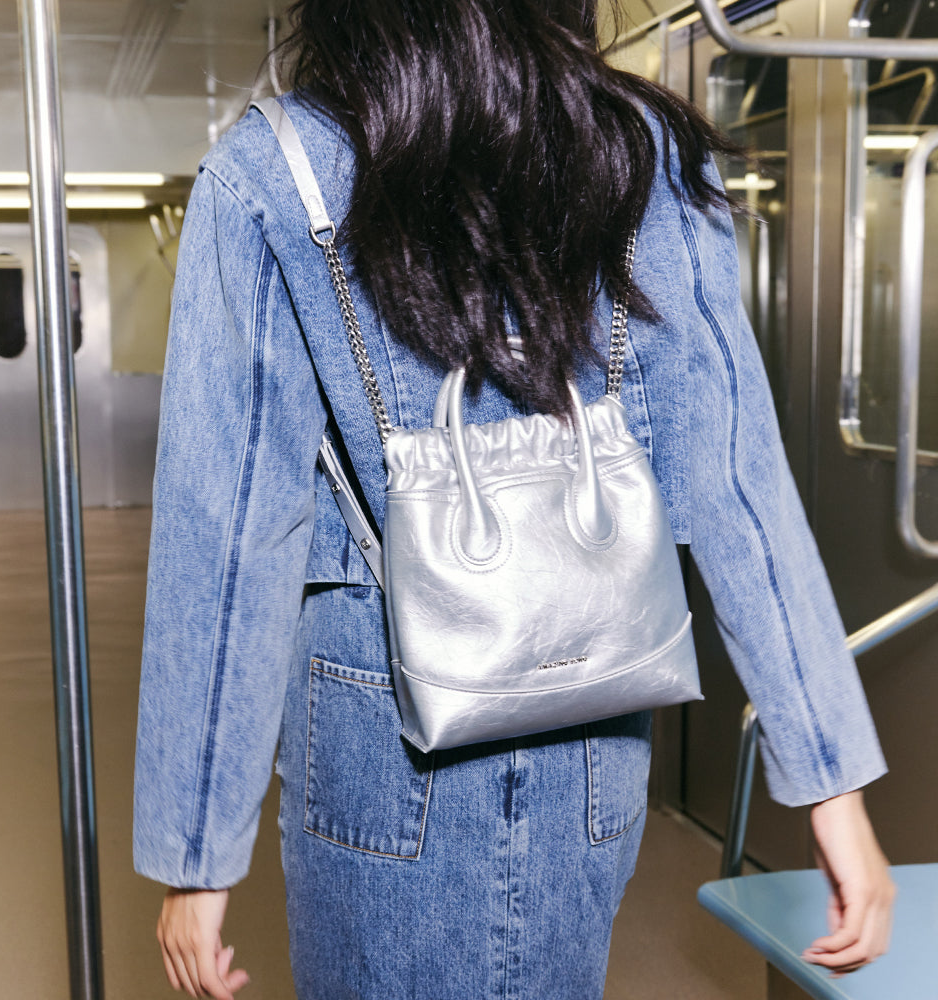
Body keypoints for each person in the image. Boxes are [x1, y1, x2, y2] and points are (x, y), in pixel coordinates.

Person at [133, 2, 895, 997]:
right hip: (593, 730)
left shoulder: (275, 171)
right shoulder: (647, 155)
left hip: (377, 752)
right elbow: (734, 481)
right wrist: (830, 784)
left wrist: (197, 850)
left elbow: (230, 539)